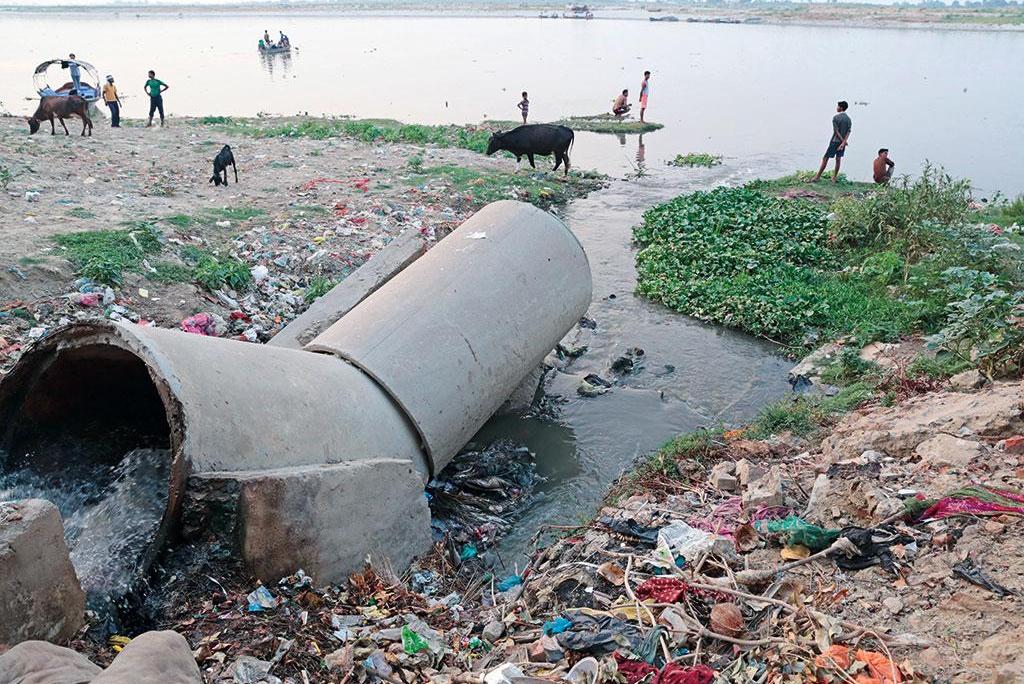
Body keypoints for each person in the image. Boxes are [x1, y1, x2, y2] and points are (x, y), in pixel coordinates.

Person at [811, 100, 852, 183]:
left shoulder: (835, 118)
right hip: (842, 143)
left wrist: (841, 141)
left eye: (838, 106)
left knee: (825, 158)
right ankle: (834, 178)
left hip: (835, 141)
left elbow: (836, 132)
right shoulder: (848, 119)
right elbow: (848, 131)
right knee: (838, 159)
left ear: (841, 107)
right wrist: (843, 142)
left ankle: (818, 176)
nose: (837, 108)